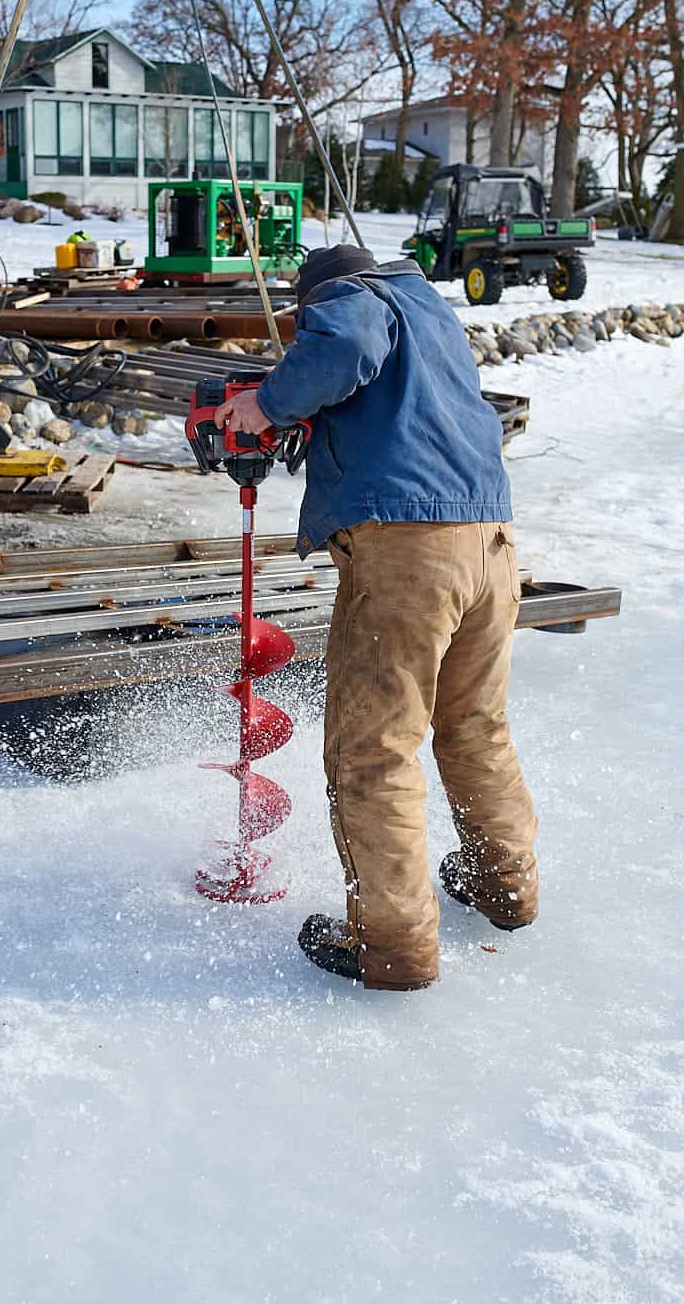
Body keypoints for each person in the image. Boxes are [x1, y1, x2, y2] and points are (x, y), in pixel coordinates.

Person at [213, 243, 538, 992]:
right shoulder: (432, 314)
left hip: (406, 556)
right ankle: (506, 889)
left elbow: (349, 343)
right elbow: (377, 395)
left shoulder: (355, 301)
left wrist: (265, 401)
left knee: (374, 750)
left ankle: (390, 946)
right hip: (490, 543)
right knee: (473, 727)